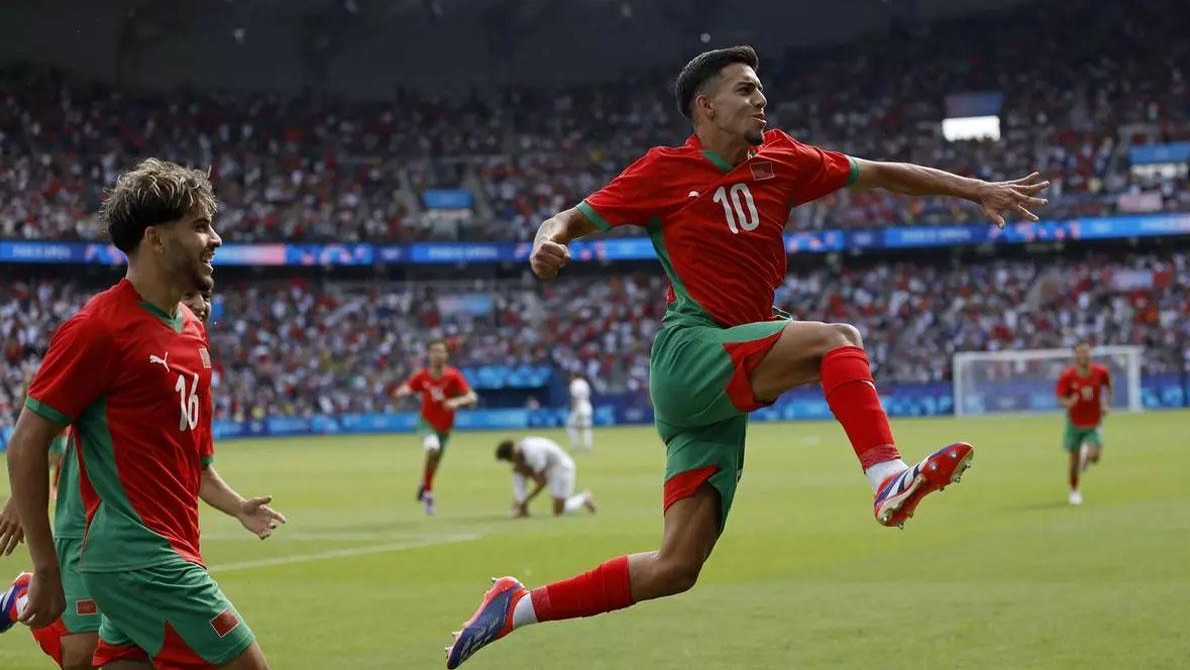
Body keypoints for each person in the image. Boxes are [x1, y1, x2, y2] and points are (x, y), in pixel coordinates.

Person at [445, 45, 1047, 668]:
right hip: (691, 352)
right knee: (838, 341)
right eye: (745, 90)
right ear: (705, 107)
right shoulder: (662, 171)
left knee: (675, 567)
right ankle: (886, 478)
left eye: (760, 89)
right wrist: (546, 244)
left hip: (721, 379)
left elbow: (882, 172)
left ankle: (512, 608)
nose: (761, 99)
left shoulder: (784, 159)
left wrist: (977, 189)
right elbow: (565, 219)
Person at [5, 159, 284, 669]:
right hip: (142, 557)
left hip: (167, 548)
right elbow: (27, 439)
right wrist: (45, 569)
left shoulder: (191, 330)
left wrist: (237, 506)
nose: (216, 238)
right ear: (156, 239)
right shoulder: (99, 328)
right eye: (200, 226)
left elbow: (192, 458)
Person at [392, 339, 478, 515]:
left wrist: (457, 401)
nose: (437, 355)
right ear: (429, 355)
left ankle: (425, 485)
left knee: (435, 462)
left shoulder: (453, 376)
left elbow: (472, 397)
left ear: (446, 355)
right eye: (434, 351)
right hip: (426, 423)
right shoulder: (421, 376)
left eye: (441, 351)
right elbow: (407, 387)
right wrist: (402, 392)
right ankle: (429, 496)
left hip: (445, 427)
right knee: (432, 448)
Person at [1055, 342, 1112, 505]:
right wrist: (1068, 402)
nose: (1084, 356)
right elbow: (1060, 398)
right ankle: (1074, 491)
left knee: (1095, 457)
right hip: (1074, 423)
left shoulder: (1101, 372)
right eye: (1080, 353)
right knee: (1073, 462)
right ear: (1075, 355)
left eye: (1086, 352)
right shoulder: (1067, 376)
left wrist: (1108, 404)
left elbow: (1109, 386)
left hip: (1094, 421)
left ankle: (1086, 454)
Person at [496, 437, 596, 518]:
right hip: (547, 468)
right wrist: (520, 500)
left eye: (511, 459)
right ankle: (522, 510)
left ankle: (584, 497)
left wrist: (526, 500)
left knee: (559, 512)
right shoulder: (520, 451)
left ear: (514, 452)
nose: (512, 462)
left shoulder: (533, 452)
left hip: (561, 468)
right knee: (517, 471)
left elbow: (542, 482)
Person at [566, 374, 594, 452]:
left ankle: (576, 446)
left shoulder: (574, 384)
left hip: (578, 407)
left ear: (573, 377)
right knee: (587, 428)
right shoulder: (585, 383)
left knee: (571, 427)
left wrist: (573, 409)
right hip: (586, 406)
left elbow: (574, 397)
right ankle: (588, 446)